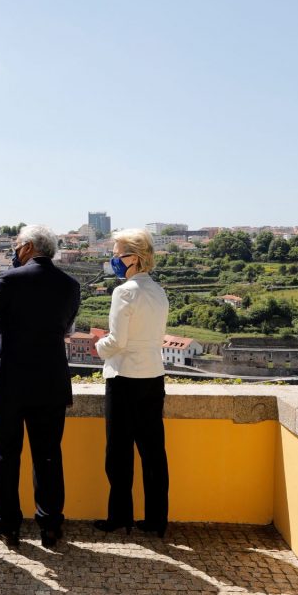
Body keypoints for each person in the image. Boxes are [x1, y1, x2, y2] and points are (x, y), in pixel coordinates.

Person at [0, 225, 80, 549]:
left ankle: (9, 526)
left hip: (10, 383)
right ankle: (51, 526)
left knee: (6, 457)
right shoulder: (70, 285)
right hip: (50, 383)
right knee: (49, 457)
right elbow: (65, 327)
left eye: (16, 245)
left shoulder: (11, 280)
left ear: (26, 247)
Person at [94, 228, 170, 538]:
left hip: (124, 378)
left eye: (116, 254)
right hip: (153, 376)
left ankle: (120, 516)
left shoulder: (124, 292)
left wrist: (98, 346)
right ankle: (156, 520)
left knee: (119, 454)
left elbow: (117, 341)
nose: (112, 259)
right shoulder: (159, 292)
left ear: (134, 259)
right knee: (153, 453)